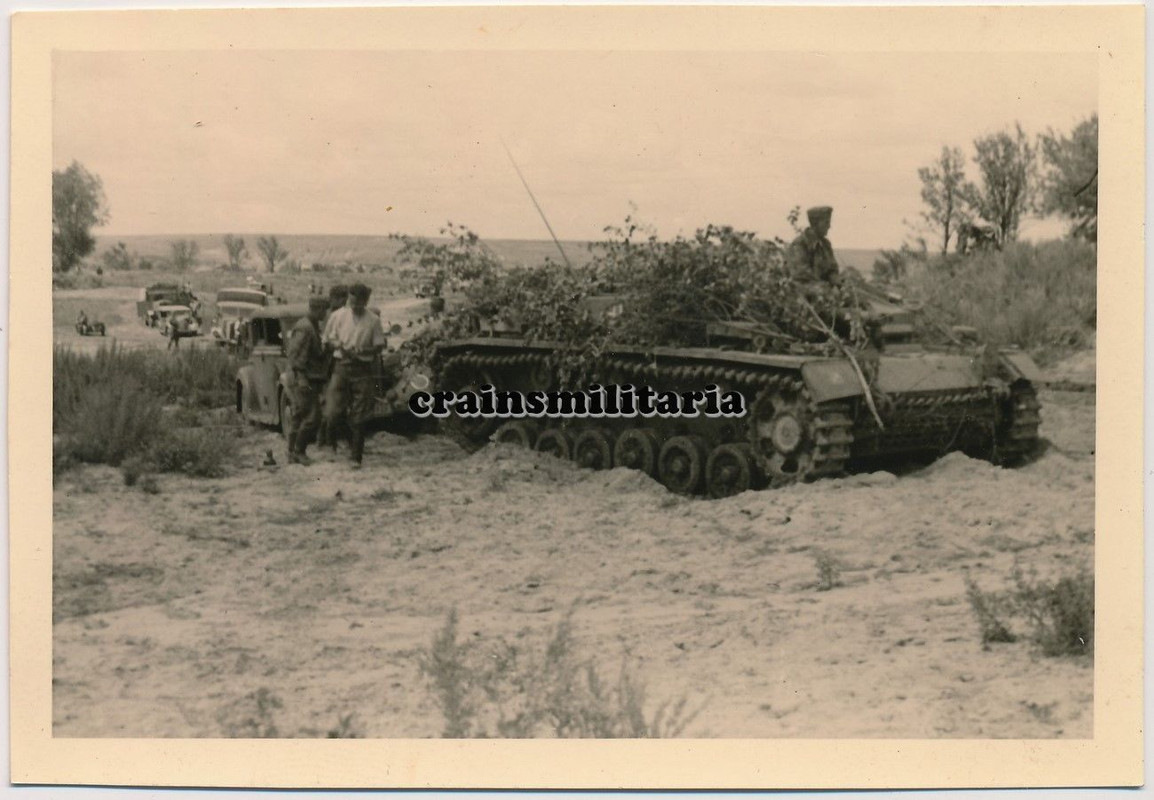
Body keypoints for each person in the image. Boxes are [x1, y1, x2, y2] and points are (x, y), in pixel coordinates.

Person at [321, 283, 385, 468]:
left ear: (366, 302)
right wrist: (340, 346)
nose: (355, 307)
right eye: (352, 302)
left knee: (360, 416)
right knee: (332, 411)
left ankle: (356, 456)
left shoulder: (373, 320)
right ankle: (331, 443)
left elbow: (379, 345)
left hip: (362, 369)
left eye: (359, 304)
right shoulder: (338, 316)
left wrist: (364, 349)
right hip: (341, 366)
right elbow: (327, 339)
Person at [284, 296, 331, 465]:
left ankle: (291, 453)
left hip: (305, 377)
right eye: (324, 311)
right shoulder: (305, 328)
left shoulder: (310, 326)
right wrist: (302, 379)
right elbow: (296, 357)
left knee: (298, 415)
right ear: (317, 309)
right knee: (313, 417)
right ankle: (299, 451)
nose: (325, 314)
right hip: (303, 378)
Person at [316, 285, 350, 450]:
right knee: (333, 403)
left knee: (332, 403)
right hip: (331, 364)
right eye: (343, 298)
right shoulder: (332, 316)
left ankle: (324, 439)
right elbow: (326, 341)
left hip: (331, 363)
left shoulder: (330, 315)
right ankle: (327, 439)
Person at [786, 206, 840, 285]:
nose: (829, 226)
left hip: (822, 289)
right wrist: (826, 286)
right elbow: (801, 274)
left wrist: (835, 279)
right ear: (815, 223)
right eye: (826, 222)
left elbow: (832, 268)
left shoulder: (826, 244)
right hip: (803, 292)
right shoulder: (799, 244)